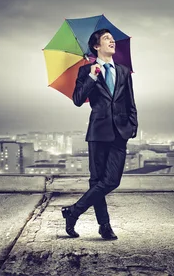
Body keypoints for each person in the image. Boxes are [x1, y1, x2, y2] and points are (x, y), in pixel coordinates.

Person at [61, 28, 138, 240]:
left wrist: (132, 126)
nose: (112, 41)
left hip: (120, 132)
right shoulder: (86, 71)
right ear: (96, 46)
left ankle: (73, 212)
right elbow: (77, 100)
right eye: (107, 39)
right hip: (98, 132)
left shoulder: (123, 71)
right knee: (96, 181)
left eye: (113, 39)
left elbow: (130, 101)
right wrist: (92, 77)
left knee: (112, 180)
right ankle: (104, 226)